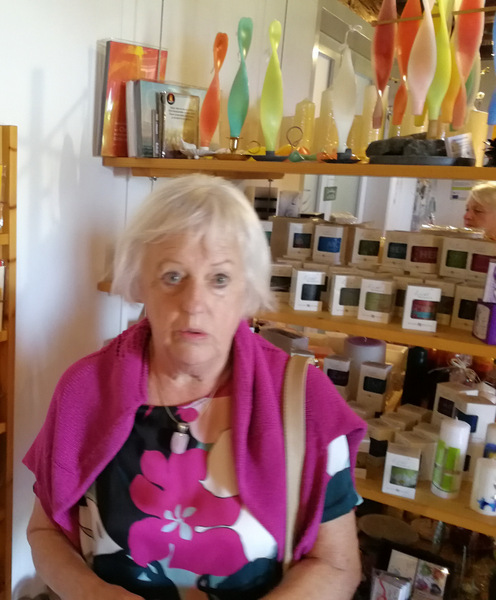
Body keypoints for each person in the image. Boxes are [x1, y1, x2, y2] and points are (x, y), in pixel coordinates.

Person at [24, 174, 366, 600]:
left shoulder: (304, 400)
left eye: (219, 279)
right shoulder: (84, 391)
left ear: (247, 291)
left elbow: (336, 565)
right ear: (140, 283)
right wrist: (92, 593)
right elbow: (44, 532)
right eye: (173, 276)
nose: (194, 303)